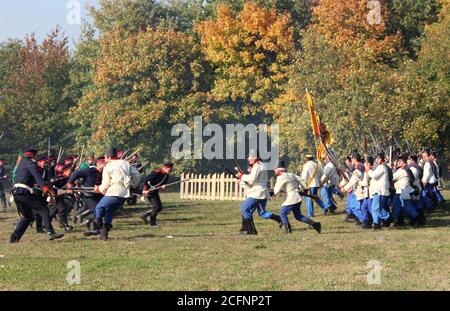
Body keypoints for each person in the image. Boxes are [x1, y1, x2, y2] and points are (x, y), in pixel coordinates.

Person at [9, 147, 64, 242]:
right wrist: (45, 188)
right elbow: (37, 176)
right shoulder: (31, 163)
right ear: (32, 155)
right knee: (43, 209)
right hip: (24, 193)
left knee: (28, 217)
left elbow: (30, 178)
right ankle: (51, 232)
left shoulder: (21, 163)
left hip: (16, 193)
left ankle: (13, 239)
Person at [84, 148, 141, 240]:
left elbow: (105, 184)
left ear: (109, 157)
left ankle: (99, 227)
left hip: (114, 192)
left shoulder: (108, 166)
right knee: (109, 212)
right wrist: (132, 185)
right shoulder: (125, 163)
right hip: (124, 194)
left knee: (99, 207)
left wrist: (98, 189)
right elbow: (137, 175)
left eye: (105, 158)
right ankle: (104, 235)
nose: (105, 160)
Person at [238, 150, 281, 235]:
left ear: (255, 157)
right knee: (257, 212)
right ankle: (249, 230)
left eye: (249, 157)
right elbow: (253, 180)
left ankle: (251, 230)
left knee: (244, 208)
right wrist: (242, 179)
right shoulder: (259, 165)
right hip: (259, 192)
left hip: (257, 192)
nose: (248, 158)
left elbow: (252, 178)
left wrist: (242, 176)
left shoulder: (257, 166)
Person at [273, 160, 321, 234]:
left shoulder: (281, 177)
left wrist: (276, 191)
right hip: (297, 197)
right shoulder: (291, 174)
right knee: (298, 216)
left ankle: (287, 230)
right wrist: (305, 189)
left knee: (282, 213)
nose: (274, 171)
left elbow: (276, 191)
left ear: (279, 170)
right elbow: (301, 180)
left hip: (292, 198)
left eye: (275, 169)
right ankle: (315, 224)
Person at [67, 157, 105, 230]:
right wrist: (70, 183)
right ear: (99, 164)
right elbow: (76, 173)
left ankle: (87, 221)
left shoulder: (105, 172)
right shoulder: (89, 170)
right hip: (87, 194)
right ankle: (95, 229)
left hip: (98, 194)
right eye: (105, 164)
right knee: (96, 209)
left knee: (103, 209)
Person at [140, 162, 174, 226]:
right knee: (156, 207)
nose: (170, 171)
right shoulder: (156, 173)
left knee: (159, 208)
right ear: (164, 168)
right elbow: (146, 179)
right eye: (169, 170)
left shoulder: (166, 176)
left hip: (155, 191)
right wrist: (145, 190)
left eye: (170, 170)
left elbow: (161, 184)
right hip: (149, 191)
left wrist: (163, 186)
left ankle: (144, 215)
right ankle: (152, 223)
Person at [390, 155, 419, 228]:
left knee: (408, 207)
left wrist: (391, 170)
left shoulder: (401, 171)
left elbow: (391, 177)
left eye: (400, 161)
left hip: (403, 192)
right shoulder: (403, 170)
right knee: (396, 206)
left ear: (404, 163)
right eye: (398, 161)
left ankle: (416, 220)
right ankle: (396, 222)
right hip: (399, 191)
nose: (398, 163)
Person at [367, 152, 393, 230]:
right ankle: (376, 224)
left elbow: (374, 176)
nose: (376, 160)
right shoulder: (379, 167)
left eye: (377, 158)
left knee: (376, 209)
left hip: (380, 191)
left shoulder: (382, 167)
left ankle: (389, 218)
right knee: (375, 209)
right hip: (377, 191)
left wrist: (368, 170)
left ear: (381, 159)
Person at [340, 152, 365, 225]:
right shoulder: (358, 167)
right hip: (357, 189)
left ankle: (364, 220)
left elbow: (353, 180)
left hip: (359, 190)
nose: (351, 160)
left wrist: (345, 188)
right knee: (354, 207)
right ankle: (362, 220)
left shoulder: (359, 167)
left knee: (356, 208)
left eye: (352, 159)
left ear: (355, 159)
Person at [407, 155, 426, 225]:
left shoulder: (412, 168)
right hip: (417, 187)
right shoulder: (418, 167)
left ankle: (418, 220)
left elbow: (412, 179)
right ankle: (420, 220)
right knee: (417, 205)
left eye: (408, 160)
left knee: (415, 205)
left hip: (414, 188)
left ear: (411, 160)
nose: (407, 161)